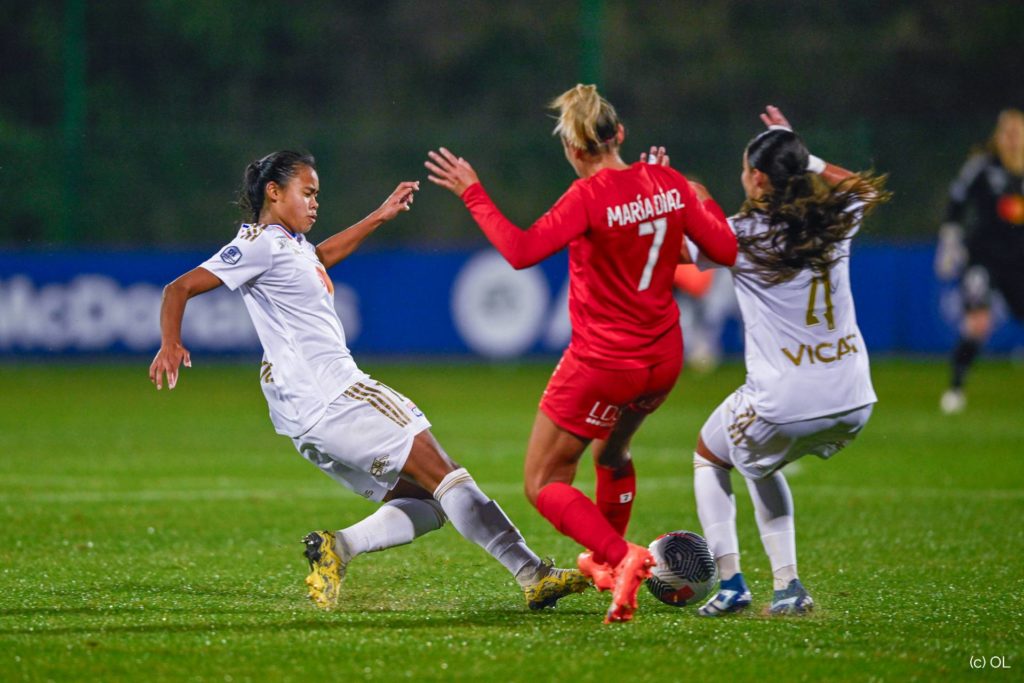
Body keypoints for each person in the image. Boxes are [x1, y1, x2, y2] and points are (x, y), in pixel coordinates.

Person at [148, 150, 590, 612]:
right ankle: (532, 573)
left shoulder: (289, 244)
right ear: (274, 193)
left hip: (305, 421)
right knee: (448, 476)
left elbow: (318, 258)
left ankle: (338, 547)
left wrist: (378, 216)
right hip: (337, 394)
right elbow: (178, 287)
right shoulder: (259, 244)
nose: (316, 203)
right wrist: (170, 342)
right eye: (308, 193)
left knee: (429, 500)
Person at [425, 84, 738, 623]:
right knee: (611, 455)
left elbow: (522, 251)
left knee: (544, 482)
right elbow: (726, 250)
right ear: (620, 135)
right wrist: (684, 188)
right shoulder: (666, 182)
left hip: (601, 365)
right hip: (662, 360)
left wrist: (473, 192)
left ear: (573, 150)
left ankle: (623, 557)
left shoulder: (587, 197)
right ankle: (606, 559)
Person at [680, 106, 890, 616]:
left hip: (784, 402)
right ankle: (788, 589)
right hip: (854, 400)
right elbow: (863, 188)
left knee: (710, 457)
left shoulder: (739, 235)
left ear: (755, 178)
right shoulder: (834, 217)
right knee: (757, 457)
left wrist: (694, 198)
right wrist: (804, 154)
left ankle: (733, 586)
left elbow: (689, 251)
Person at [935, 109, 1024, 414]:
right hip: (983, 257)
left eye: (1017, 133)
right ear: (997, 137)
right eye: (1006, 133)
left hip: (1020, 261)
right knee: (978, 323)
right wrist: (949, 242)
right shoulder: (982, 167)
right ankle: (955, 388)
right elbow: (956, 203)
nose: (1012, 140)